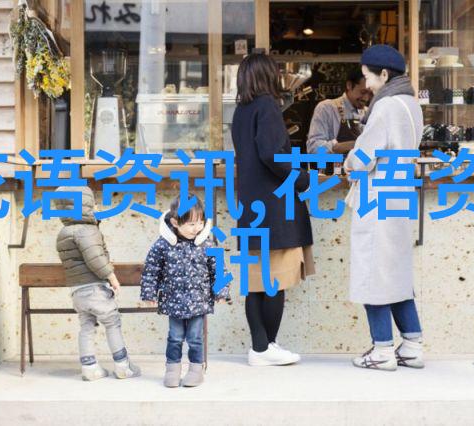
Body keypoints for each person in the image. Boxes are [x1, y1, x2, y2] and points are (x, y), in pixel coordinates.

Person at [343, 44, 425, 371]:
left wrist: (349, 164)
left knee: (372, 273)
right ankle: (412, 346)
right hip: (399, 195)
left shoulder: (386, 106)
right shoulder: (410, 103)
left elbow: (365, 155)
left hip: (376, 197)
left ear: (385, 74)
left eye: (369, 77)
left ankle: (382, 351)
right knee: (396, 273)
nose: (367, 85)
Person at [231, 52, 315, 367]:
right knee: (274, 281)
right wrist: (302, 178)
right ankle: (266, 347)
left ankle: (260, 347)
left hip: (251, 207)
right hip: (274, 206)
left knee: (255, 283)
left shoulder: (241, 111)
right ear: (268, 76)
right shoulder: (267, 106)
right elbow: (272, 155)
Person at [140, 196, 230, 388]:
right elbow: (151, 270)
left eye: (200, 223)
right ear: (175, 222)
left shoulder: (207, 244)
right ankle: (172, 370)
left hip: (199, 301)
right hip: (173, 302)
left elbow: (219, 269)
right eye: (191, 224)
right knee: (174, 338)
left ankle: (196, 370)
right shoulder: (163, 244)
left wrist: (221, 291)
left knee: (195, 338)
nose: (196, 228)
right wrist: (149, 293)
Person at [55, 186, 141, 381]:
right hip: (94, 288)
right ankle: (123, 366)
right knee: (112, 322)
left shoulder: (63, 233)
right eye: (92, 204)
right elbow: (95, 258)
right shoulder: (86, 231)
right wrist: (111, 277)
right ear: (84, 207)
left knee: (86, 327)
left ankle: (89, 368)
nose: (96, 207)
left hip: (77, 291)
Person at [307, 67, 372, 157]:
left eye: (370, 94)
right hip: (331, 166)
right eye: (363, 92)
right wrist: (345, 146)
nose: (366, 98)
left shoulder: (369, 113)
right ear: (349, 85)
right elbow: (313, 148)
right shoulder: (326, 108)